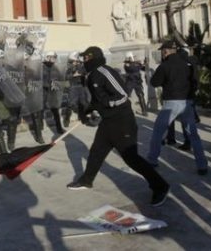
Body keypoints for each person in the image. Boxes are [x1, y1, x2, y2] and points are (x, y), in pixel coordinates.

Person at [67, 46, 170, 207]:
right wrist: (90, 109)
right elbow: (98, 98)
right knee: (96, 151)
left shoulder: (104, 71)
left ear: (93, 57)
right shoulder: (91, 75)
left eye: (85, 58)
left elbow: (122, 95)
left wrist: (106, 105)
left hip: (122, 121)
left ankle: (160, 186)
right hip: (108, 121)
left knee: (131, 158)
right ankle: (87, 180)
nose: (83, 61)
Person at [146, 41, 208, 175]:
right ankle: (202, 165)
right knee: (193, 134)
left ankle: (152, 160)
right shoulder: (188, 64)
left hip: (171, 102)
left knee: (158, 132)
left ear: (165, 51)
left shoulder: (165, 65)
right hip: (187, 102)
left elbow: (154, 82)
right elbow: (194, 81)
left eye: (163, 51)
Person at [62, 51, 89, 128]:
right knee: (71, 104)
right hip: (73, 86)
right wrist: (73, 75)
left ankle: (82, 117)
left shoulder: (82, 66)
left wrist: (83, 73)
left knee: (83, 103)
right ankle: (66, 119)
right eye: (74, 61)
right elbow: (65, 77)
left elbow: (86, 71)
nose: (75, 62)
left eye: (76, 61)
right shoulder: (69, 67)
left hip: (82, 86)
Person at [43, 51, 66, 134]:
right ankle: (39, 130)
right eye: (50, 57)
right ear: (47, 57)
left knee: (55, 111)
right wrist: (49, 84)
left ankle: (59, 128)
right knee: (39, 112)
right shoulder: (43, 66)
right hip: (44, 92)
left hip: (53, 93)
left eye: (54, 57)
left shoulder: (56, 67)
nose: (52, 59)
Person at [123, 52, 148, 116]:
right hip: (130, 82)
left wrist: (146, 63)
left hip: (137, 82)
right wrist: (141, 64)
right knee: (126, 96)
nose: (133, 58)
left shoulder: (137, 64)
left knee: (140, 95)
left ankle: (144, 111)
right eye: (132, 57)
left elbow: (144, 69)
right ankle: (125, 111)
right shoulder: (127, 64)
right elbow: (133, 69)